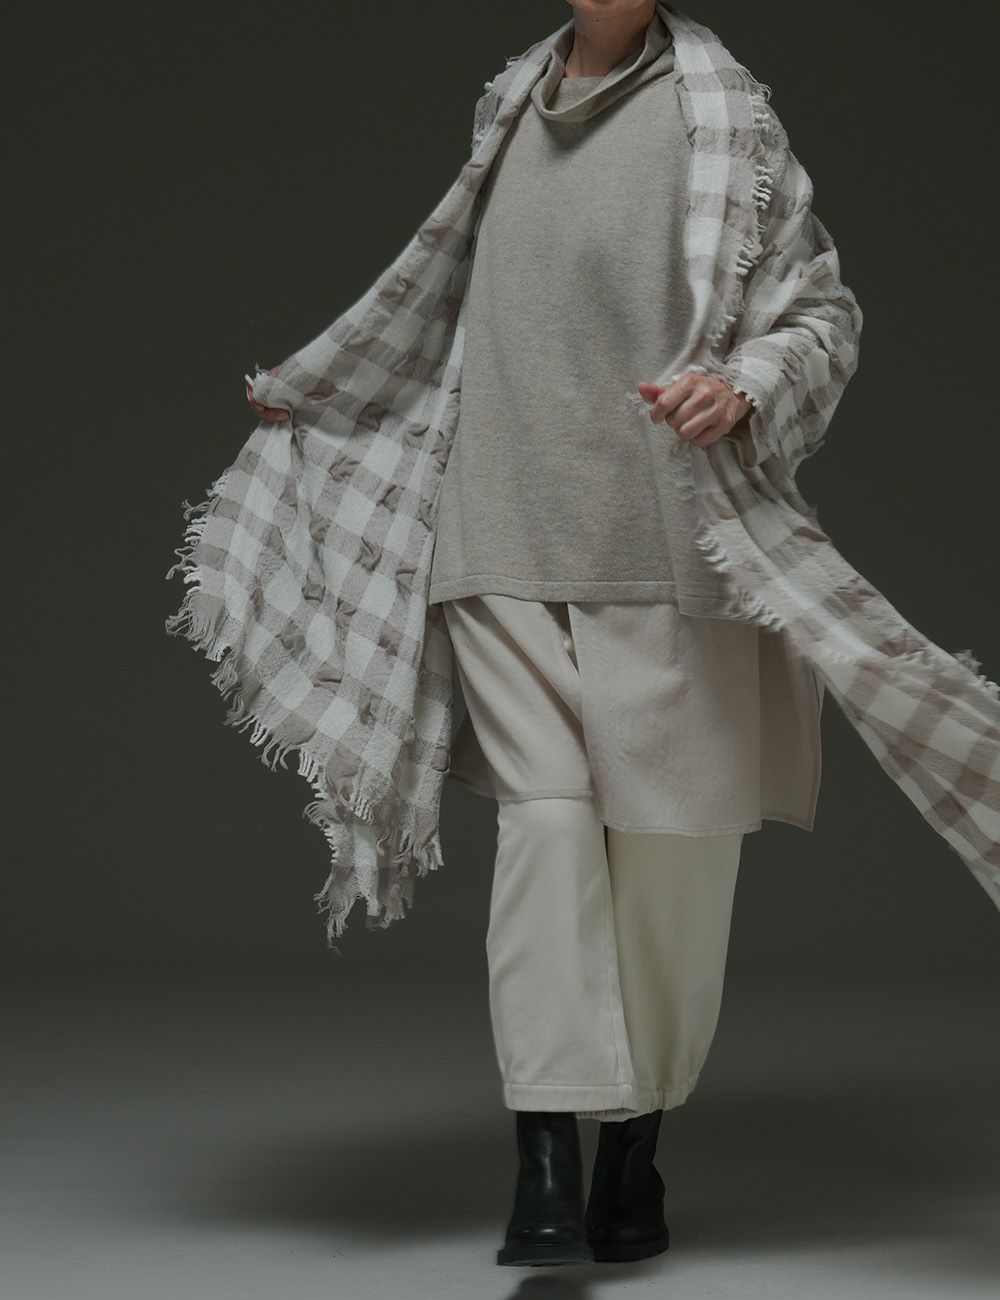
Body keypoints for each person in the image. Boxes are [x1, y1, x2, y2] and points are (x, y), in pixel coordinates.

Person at [243, 0, 842, 1269]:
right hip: (505, 529)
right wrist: (334, 395)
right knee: (549, 828)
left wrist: (743, 384)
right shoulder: (507, 107)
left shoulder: (727, 120)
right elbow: (446, 310)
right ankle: (547, 1159)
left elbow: (819, 314)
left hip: (671, 547)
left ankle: (634, 1147)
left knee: (671, 861)